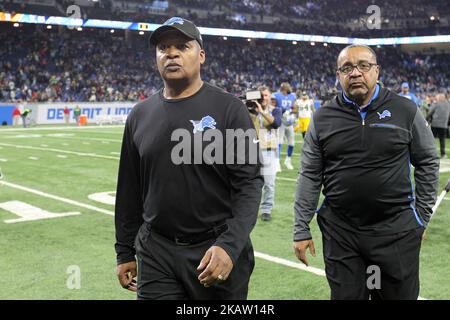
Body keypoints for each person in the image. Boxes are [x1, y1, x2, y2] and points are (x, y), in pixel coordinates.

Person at [114, 17, 263, 300]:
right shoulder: (139, 115)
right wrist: (124, 251)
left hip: (214, 249)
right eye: (163, 48)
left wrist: (229, 246)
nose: (171, 53)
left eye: (182, 46)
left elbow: (249, 185)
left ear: (201, 55)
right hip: (156, 249)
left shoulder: (230, 109)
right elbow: (128, 191)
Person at [293, 44, 439, 300]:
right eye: (346, 68)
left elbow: (427, 160)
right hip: (342, 232)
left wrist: (422, 216)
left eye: (363, 65)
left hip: (395, 230)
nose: (355, 73)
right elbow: (310, 174)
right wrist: (301, 228)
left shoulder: (405, 110)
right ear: (338, 75)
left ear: (377, 71)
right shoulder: (323, 117)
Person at [248, 86, 282, 222]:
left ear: (270, 97)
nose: (264, 98)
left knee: (269, 183)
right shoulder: (251, 112)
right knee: (249, 183)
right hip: (253, 150)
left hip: (269, 151)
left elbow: (276, 124)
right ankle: (248, 209)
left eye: (266, 95)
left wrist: (261, 112)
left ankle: (266, 209)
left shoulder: (276, 111)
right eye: (261, 95)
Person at [273, 82, 296, 170]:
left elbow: (295, 108)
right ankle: (277, 162)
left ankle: (288, 160)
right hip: (280, 122)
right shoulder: (276, 96)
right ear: (284, 88)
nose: (290, 88)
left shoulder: (292, 96)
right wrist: (281, 111)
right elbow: (272, 107)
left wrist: (290, 111)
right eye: (288, 86)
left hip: (289, 122)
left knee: (291, 143)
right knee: (279, 142)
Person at [427, 93, 450, 159]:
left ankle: (431, 154)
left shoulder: (436, 104)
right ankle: (443, 154)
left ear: (440, 98)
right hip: (444, 125)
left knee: (432, 139)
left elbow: (430, 112)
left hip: (435, 124)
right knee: (442, 140)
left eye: (438, 97)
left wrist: (427, 120)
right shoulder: (448, 104)